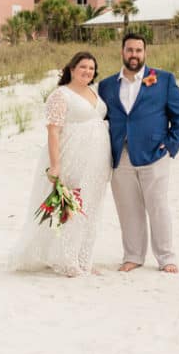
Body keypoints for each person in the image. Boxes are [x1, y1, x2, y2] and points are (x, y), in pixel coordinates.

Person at [9, 51, 112, 277]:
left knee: (92, 208)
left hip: (98, 160)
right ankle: (67, 260)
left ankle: (84, 259)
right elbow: (53, 131)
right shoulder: (61, 94)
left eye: (91, 68)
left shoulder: (94, 92)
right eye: (83, 67)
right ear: (72, 69)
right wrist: (55, 165)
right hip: (73, 156)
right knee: (73, 207)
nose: (87, 71)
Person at [98, 33, 179, 273]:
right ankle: (134, 256)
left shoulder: (163, 80)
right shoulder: (106, 85)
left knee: (158, 207)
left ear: (145, 53)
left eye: (139, 50)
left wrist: (171, 145)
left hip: (154, 155)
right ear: (122, 52)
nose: (134, 55)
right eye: (130, 50)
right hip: (120, 156)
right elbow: (102, 119)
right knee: (128, 209)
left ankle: (166, 257)